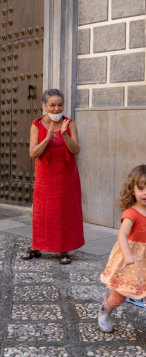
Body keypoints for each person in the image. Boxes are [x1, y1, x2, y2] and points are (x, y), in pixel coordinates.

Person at [98, 164, 146, 352]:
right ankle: (104, 311)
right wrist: (127, 256)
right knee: (119, 296)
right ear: (132, 190)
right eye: (141, 188)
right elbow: (121, 236)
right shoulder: (131, 214)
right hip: (131, 261)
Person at [21, 88, 85, 264]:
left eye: (60, 105)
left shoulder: (69, 124)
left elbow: (76, 150)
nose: (56, 109)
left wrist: (64, 135)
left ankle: (63, 249)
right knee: (43, 212)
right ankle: (37, 246)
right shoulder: (36, 124)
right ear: (45, 106)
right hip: (45, 176)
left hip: (66, 176)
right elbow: (33, 153)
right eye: (52, 105)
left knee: (63, 212)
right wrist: (47, 138)